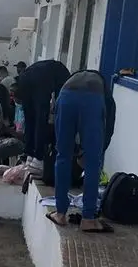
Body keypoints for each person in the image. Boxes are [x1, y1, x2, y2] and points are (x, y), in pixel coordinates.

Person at [46, 70, 114, 233]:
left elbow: (53, 123)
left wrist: (75, 151)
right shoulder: (105, 93)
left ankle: (60, 214)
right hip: (92, 101)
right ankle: (88, 218)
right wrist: (95, 151)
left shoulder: (70, 81)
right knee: (93, 161)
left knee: (62, 156)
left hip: (66, 96)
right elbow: (108, 128)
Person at [16, 59, 70, 174]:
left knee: (30, 119)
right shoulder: (67, 79)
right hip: (40, 80)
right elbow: (60, 101)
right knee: (41, 119)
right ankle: (38, 159)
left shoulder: (54, 67)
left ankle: (29, 154)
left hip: (25, 77)